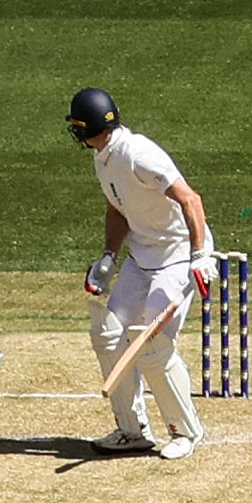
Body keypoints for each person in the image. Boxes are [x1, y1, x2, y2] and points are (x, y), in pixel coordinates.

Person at [70, 87, 214, 459]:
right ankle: (132, 431)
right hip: (141, 256)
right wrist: (108, 257)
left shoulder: (138, 154)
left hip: (179, 254)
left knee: (152, 342)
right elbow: (117, 209)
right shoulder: (103, 158)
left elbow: (190, 199)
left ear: (86, 128)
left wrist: (199, 256)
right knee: (109, 332)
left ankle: (185, 432)